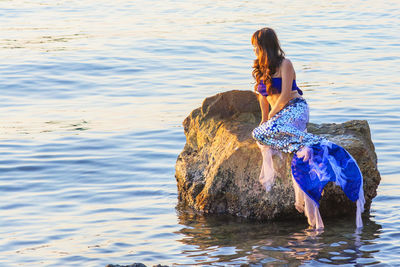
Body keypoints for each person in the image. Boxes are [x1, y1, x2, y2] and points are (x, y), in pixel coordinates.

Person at [250, 27, 365, 229]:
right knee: (258, 133)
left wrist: (271, 116)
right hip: (277, 114)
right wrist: (263, 119)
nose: (254, 51)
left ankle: (312, 142)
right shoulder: (260, 68)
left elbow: (285, 95)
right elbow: (263, 97)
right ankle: (300, 143)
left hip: (295, 108)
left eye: (256, 47)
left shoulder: (285, 64)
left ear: (265, 46)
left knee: (269, 130)